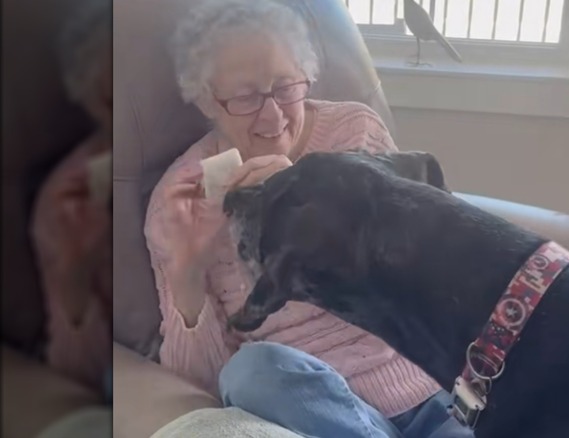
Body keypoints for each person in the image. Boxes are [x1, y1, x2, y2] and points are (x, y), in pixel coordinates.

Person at [144, 0, 471, 437]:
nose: (274, 115)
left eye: (285, 88)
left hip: (425, 394)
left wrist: (313, 192)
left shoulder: (355, 132)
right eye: (245, 98)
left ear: (307, 75)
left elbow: (421, 269)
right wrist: (188, 272)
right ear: (206, 98)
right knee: (250, 370)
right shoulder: (179, 200)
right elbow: (197, 385)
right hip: (310, 410)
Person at [29, 0, 112, 397]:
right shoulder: (63, 205)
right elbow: (79, 374)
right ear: (87, 101)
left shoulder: (205, 146)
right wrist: (76, 273)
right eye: (111, 101)